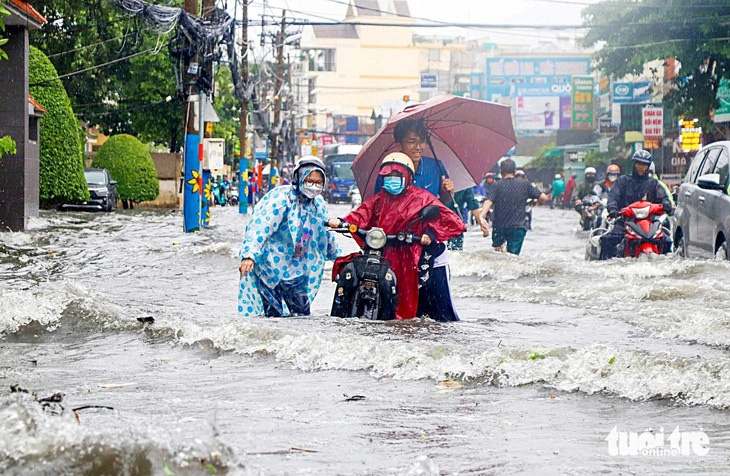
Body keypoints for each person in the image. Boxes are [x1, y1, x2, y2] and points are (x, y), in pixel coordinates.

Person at [329, 153, 465, 320]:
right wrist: (341, 221)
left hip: (410, 254)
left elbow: (451, 222)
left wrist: (429, 234)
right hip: (384, 252)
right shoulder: (379, 199)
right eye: (388, 175)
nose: (391, 179)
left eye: (396, 175)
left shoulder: (422, 198)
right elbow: (361, 215)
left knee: (413, 302)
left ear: (407, 177)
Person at [238, 156, 340, 317]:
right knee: (273, 316)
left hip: (297, 270)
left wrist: (340, 259)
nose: (313, 186)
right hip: (270, 267)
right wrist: (249, 255)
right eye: (309, 180)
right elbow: (260, 227)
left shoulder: (318, 204)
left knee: (301, 315)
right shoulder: (281, 198)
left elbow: (324, 235)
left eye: (318, 182)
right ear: (298, 178)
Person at [599, 150, 673, 260]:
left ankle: (669, 265)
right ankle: (603, 266)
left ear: (648, 166)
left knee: (666, 241)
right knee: (608, 240)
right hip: (625, 221)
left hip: (650, 223)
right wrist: (613, 209)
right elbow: (613, 197)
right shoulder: (623, 181)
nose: (641, 167)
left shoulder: (653, 184)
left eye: (644, 164)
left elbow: (663, 198)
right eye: (639, 163)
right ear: (634, 164)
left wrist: (667, 205)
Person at [480, 158, 549, 255]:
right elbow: (543, 197)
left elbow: (489, 201)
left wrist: (481, 216)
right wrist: (539, 202)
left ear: (501, 171)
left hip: (499, 226)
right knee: (513, 257)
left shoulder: (497, 185)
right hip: (517, 227)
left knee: (497, 255)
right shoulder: (524, 184)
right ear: (515, 171)